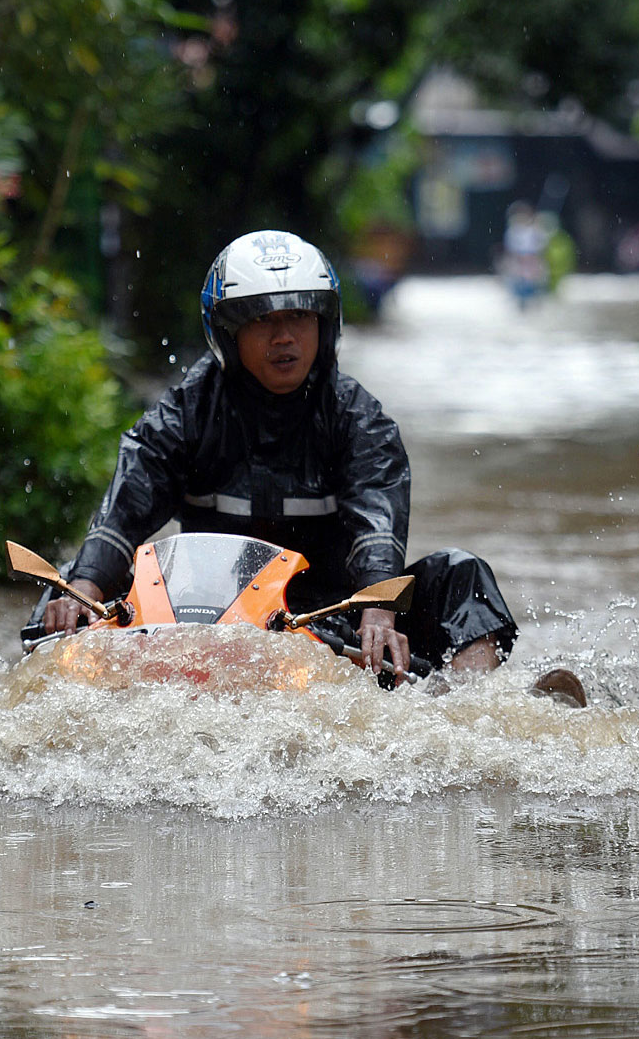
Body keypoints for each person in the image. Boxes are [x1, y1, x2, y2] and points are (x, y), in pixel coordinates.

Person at [29, 230, 582, 704]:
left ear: (325, 325)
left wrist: (378, 608)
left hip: (331, 624)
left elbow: (377, 521)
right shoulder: (184, 412)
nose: (285, 336)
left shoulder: (358, 419)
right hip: (200, 622)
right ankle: (47, 697)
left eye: (299, 315)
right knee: (68, 589)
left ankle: (470, 710)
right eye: (263, 319)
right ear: (228, 333)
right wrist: (83, 586)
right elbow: (125, 509)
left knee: (464, 574)